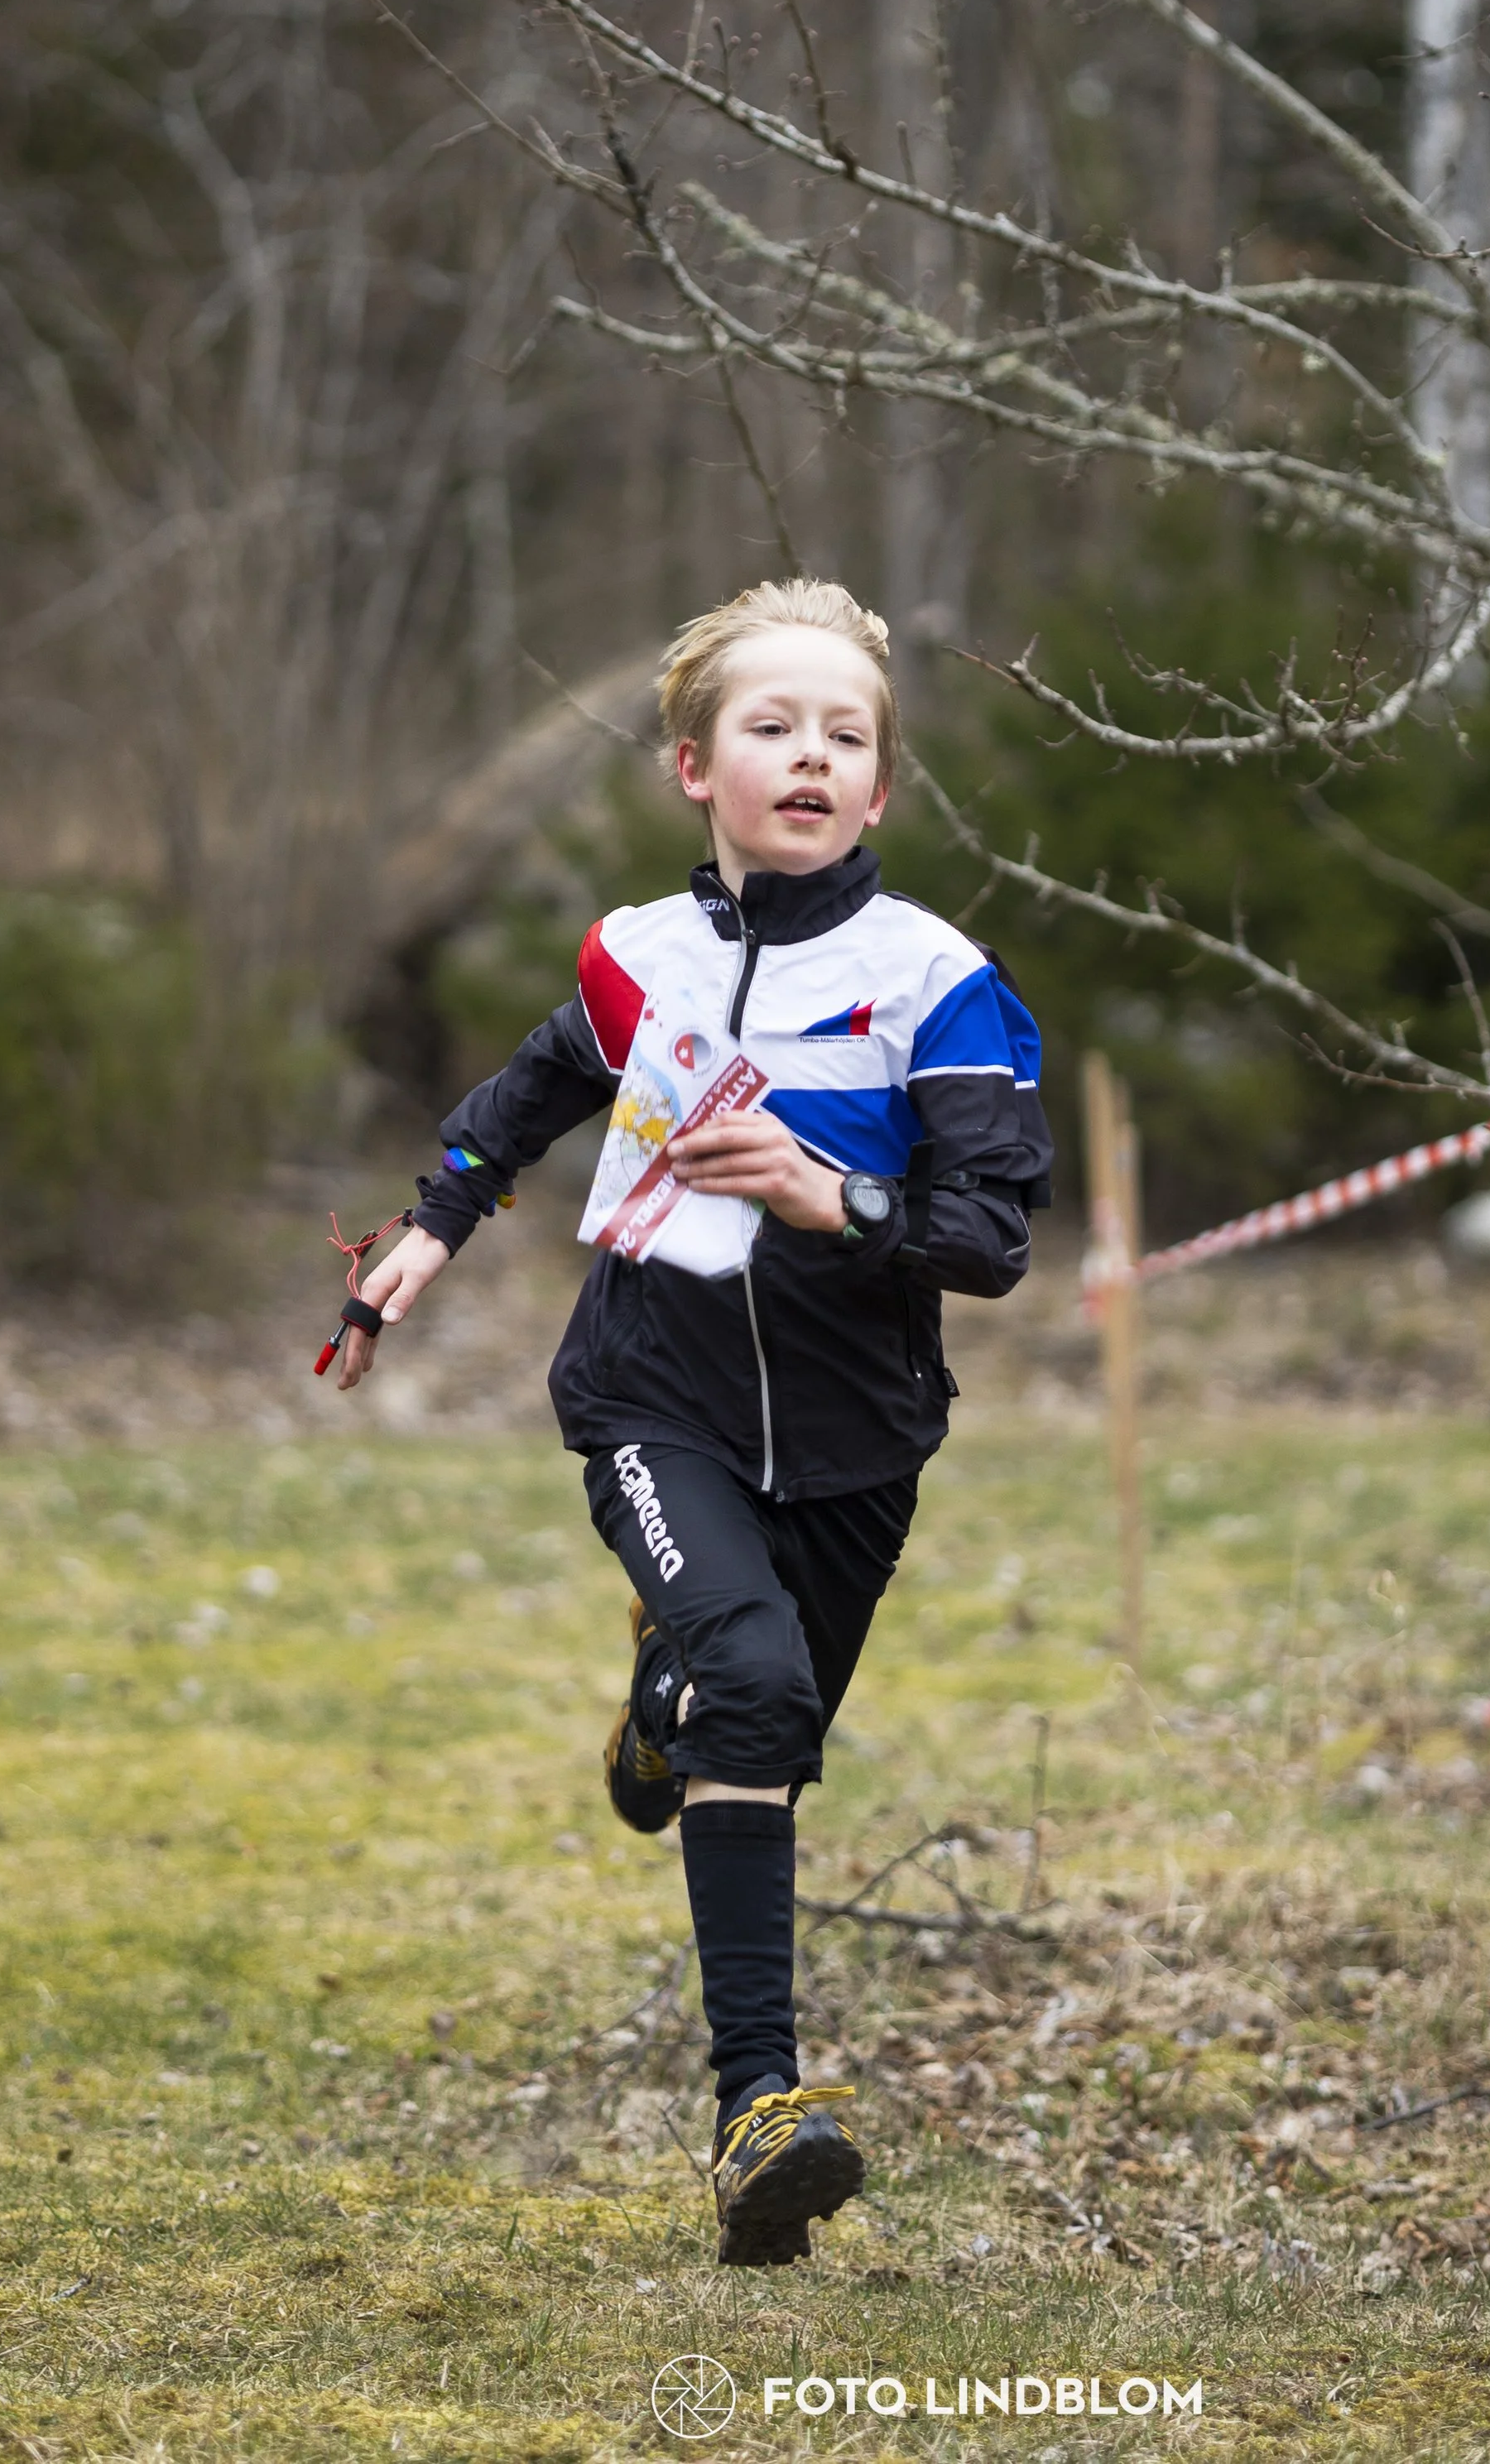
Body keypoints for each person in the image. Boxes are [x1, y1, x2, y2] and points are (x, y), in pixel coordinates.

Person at [334, 579, 1052, 2266]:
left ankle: (661, 1708)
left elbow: (992, 1237)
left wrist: (823, 1192)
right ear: (691, 766)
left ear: (878, 792)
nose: (810, 753)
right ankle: (758, 2110)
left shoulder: (937, 985)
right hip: (653, 1397)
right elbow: (528, 1090)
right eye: (771, 725)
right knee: (758, 1679)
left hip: (860, 1437)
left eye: (846, 735)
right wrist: (427, 1227)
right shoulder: (632, 959)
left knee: (754, 1723)